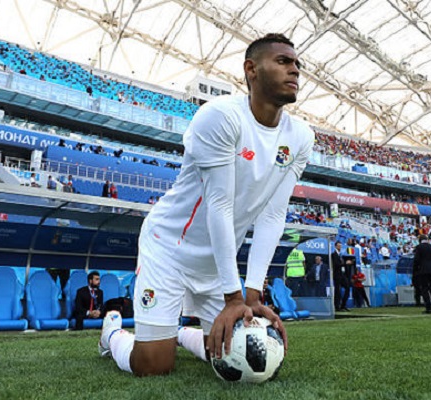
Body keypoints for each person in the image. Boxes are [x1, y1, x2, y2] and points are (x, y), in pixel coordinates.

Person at [98, 33, 309, 376]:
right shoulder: (220, 117)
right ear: (251, 70)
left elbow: (273, 214)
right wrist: (233, 298)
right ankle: (112, 333)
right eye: (284, 61)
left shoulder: (301, 136)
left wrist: (252, 294)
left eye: (298, 64)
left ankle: (179, 333)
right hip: (169, 249)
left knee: (228, 352)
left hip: (215, 265)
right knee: (154, 366)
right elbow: (219, 205)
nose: (295, 70)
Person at [332, 241, 351, 311]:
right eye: (338, 246)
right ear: (336, 246)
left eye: (340, 245)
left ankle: (343, 305)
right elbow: (336, 265)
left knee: (347, 287)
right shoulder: (333, 255)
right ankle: (337, 306)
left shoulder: (340, 255)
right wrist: (345, 263)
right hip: (337, 275)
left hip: (342, 274)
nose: (340, 247)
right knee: (337, 291)